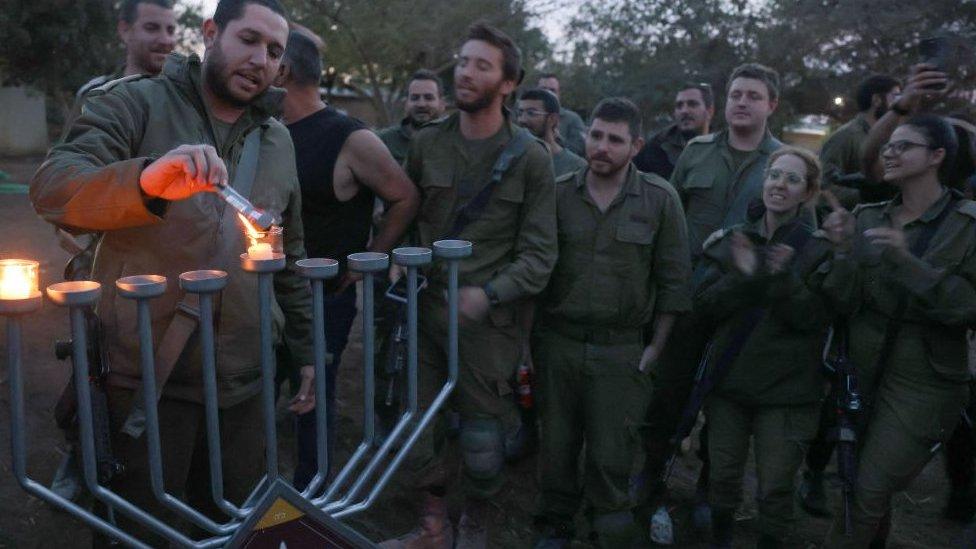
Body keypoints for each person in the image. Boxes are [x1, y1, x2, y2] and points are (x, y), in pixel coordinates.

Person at [30, 0, 314, 544]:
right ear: (210, 33)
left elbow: (290, 254)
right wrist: (146, 182)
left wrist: (303, 352)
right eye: (248, 40)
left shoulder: (277, 139)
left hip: (246, 385)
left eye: (275, 52)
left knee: (239, 526)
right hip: (146, 382)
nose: (260, 59)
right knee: (141, 531)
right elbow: (53, 187)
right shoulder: (135, 103)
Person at [382, 23, 557, 549]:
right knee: (418, 429)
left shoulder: (530, 158)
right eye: (463, 61)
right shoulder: (429, 143)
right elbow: (408, 214)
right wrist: (396, 260)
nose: (466, 72)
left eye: (482, 65)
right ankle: (433, 522)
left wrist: (490, 294)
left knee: (483, 440)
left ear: (508, 84)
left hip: (488, 323)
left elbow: (540, 254)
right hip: (425, 310)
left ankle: (476, 518)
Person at [532, 97, 691, 548]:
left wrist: (654, 350)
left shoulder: (660, 200)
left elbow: (674, 284)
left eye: (614, 139)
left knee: (611, 453)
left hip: (621, 350)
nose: (601, 146)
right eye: (596, 135)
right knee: (557, 447)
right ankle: (556, 523)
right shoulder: (558, 192)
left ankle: (608, 526)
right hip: (559, 342)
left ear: (636, 145)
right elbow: (537, 270)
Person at [816, 115, 976, 547]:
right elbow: (841, 303)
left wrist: (909, 265)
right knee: (855, 486)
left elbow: (967, 309)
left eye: (903, 146)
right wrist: (845, 251)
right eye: (888, 146)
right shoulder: (867, 216)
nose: (889, 152)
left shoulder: (968, 225)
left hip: (924, 382)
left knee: (867, 490)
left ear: (937, 156)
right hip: (861, 371)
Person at [274, 29, 419, 489]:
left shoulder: (350, 138)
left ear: (283, 71)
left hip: (324, 299)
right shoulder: (268, 133)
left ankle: (310, 501)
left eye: (268, 55)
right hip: (266, 292)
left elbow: (404, 197)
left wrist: (370, 258)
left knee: (314, 398)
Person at [643, 62, 784, 529]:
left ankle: (709, 490)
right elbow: (671, 220)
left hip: (743, 307)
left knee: (723, 404)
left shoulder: (781, 165)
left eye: (753, 96)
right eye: (735, 94)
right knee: (667, 395)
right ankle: (650, 479)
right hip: (688, 299)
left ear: (772, 105)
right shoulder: (697, 153)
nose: (742, 102)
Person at [695, 147, 830, 548]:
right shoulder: (734, 239)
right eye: (774, 175)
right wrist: (747, 276)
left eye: (792, 179)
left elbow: (813, 319)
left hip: (788, 392)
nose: (780, 185)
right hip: (730, 383)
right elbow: (704, 307)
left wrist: (782, 278)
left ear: (808, 192)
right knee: (721, 476)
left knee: (774, 487)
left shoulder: (818, 248)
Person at [818, 74, 901, 208]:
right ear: (877, 100)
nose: (899, 103)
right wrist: (867, 196)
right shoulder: (847, 136)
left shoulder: (892, 135)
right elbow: (822, 185)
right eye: (895, 96)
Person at [633, 82, 715, 179]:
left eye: (692, 104)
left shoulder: (723, 149)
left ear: (709, 111)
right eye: (679, 106)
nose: (684, 111)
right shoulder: (655, 150)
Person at [378, 69, 447, 165]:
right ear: (406, 104)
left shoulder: (454, 141)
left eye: (428, 98)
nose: (421, 104)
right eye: (415, 98)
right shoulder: (384, 142)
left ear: (442, 104)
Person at [516, 87, 587, 177]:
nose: (522, 120)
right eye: (520, 113)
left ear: (552, 119)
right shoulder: (510, 158)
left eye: (531, 113)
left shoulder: (576, 167)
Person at [538, 72, 587, 156]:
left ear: (559, 93)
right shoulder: (523, 115)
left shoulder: (573, 119)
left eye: (552, 90)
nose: (548, 93)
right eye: (543, 90)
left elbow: (579, 150)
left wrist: (558, 139)